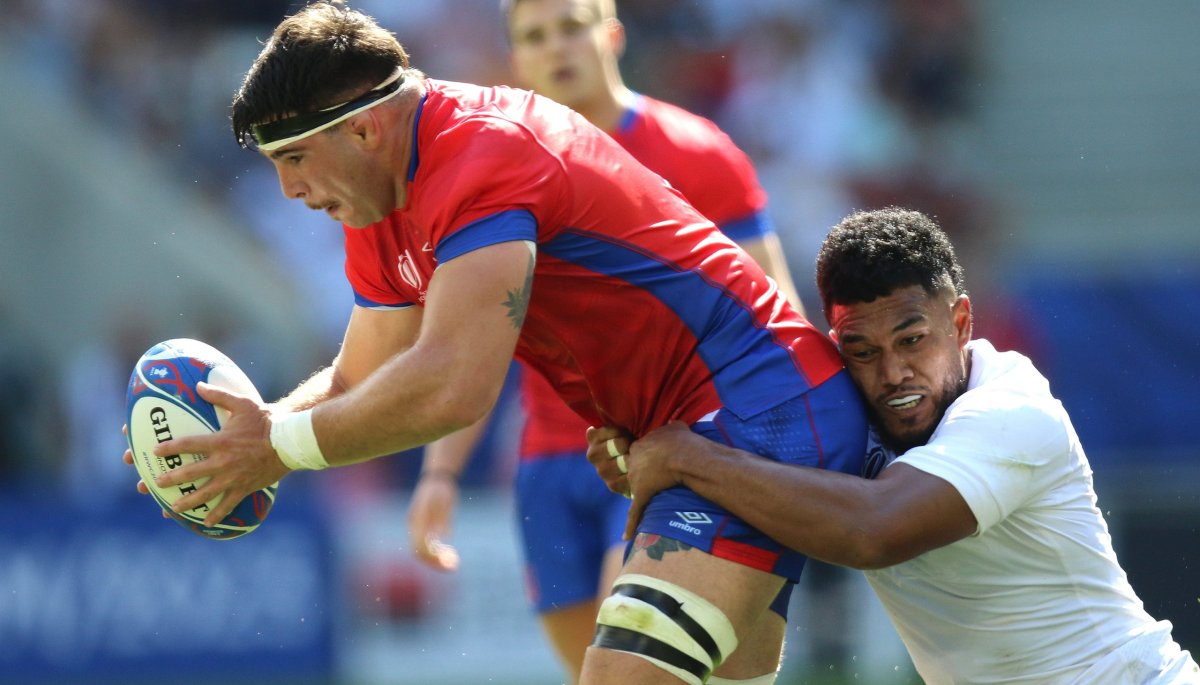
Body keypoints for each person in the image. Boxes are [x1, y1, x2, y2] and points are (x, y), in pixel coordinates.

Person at [121, 3, 868, 684]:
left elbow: (454, 386)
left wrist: (277, 448)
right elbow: (357, 379)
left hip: (756, 409)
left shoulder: (481, 154)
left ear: (363, 129)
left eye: (294, 158)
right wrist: (240, 442)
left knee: (619, 676)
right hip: (677, 432)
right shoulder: (381, 197)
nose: (289, 190)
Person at [587, 207, 1200, 684]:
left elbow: (873, 531)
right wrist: (645, 452)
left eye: (912, 341)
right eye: (863, 352)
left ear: (960, 323)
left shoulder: (1014, 412)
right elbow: (739, 460)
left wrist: (687, 457)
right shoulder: (849, 414)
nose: (894, 374)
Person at [404, 0, 807, 679]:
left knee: (630, 664)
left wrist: (785, 444)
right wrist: (439, 475)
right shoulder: (495, 170)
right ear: (516, 58)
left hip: (668, 449)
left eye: (572, 27)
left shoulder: (696, 151)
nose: (556, 48)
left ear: (611, 34)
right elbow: (472, 341)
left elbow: (775, 307)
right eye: (535, 36)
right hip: (549, 466)